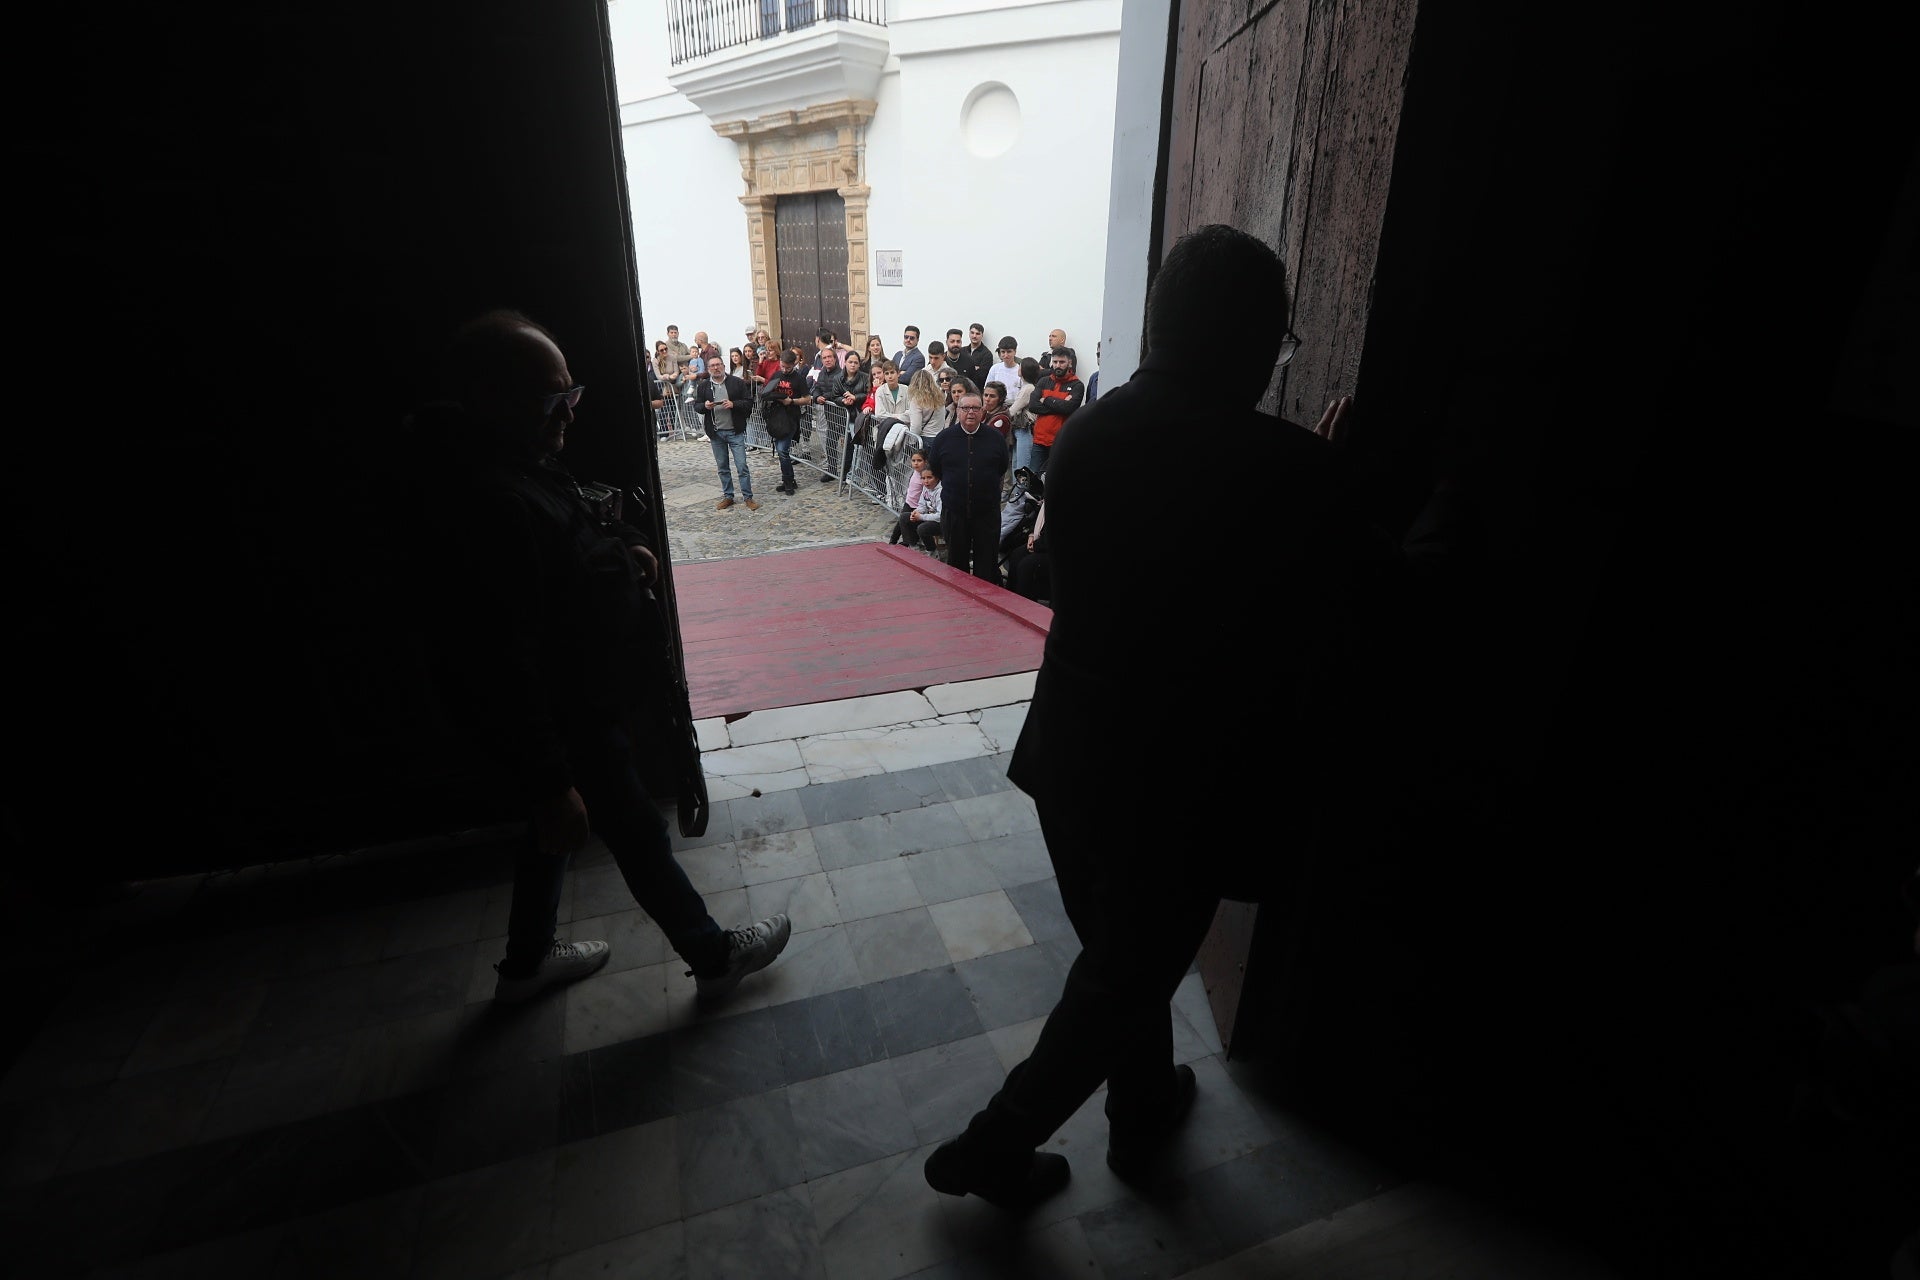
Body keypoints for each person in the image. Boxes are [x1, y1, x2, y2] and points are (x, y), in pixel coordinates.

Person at [923, 224, 1404, 1210]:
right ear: (1251, 341)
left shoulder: (1090, 433)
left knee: (1118, 955)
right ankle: (995, 1142)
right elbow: (1356, 589)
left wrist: (1304, 474)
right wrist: (1329, 476)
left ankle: (1142, 1110)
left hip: (1069, 752)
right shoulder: (1287, 469)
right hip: (1178, 778)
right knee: (1125, 974)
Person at [424, 309, 790, 1009]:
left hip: (582, 698)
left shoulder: (522, 464)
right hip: (567, 713)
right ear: (495, 401)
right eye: (551, 400)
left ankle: (527, 962)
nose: (569, 413)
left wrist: (627, 552)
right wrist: (547, 779)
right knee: (634, 831)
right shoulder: (489, 502)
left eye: (572, 394)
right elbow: (500, 659)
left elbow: (571, 541)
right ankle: (713, 956)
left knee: (551, 835)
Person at [926, 390, 1009, 584]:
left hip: (986, 512)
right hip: (955, 511)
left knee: (986, 564)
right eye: (965, 408)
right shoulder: (944, 438)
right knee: (956, 564)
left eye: (975, 408)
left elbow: (1001, 467)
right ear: (958, 410)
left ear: (982, 412)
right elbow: (936, 468)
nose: (970, 412)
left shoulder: (995, 438)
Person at [696, 354, 758, 510]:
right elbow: (697, 406)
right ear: (708, 369)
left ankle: (748, 497)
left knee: (742, 465)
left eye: (718, 365)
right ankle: (728, 496)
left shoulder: (736, 383)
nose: (716, 368)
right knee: (722, 467)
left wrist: (733, 404)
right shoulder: (704, 386)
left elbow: (748, 402)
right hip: (716, 433)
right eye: (712, 366)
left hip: (734, 431)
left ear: (723, 366)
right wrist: (705, 406)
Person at [760, 346, 811, 495]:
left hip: (791, 418)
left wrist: (792, 401)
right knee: (781, 451)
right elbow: (767, 390)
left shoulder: (798, 378)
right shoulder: (777, 374)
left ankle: (788, 481)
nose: (784, 370)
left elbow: (807, 399)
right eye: (782, 366)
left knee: (782, 450)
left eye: (787, 368)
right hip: (776, 416)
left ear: (794, 364)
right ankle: (789, 480)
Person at [1028, 346, 1085, 476]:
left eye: (1062, 362)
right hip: (1039, 441)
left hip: (1061, 442)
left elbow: (1069, 408)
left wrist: (1046, 399)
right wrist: (1060, 405)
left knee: (1056, 478)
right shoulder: (1043, 381)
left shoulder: (1077, 385)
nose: (1058, 365)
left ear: (1069, 363)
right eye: (1055, 362)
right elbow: (1033, 406)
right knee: (1033, 479)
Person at [1008, 356, 1044, 474]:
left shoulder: (1028, 389)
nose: (1018, 368)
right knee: (1016, 465)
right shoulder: (1026, 387)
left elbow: (1013, 410)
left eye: (1020, 366)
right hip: (1019, 430)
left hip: (1024, 429)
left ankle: (1021, 487)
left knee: (1021, 467)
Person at [887, 448, 930, 544]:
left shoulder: (925, 476)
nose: (916, 463)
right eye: (913, 461)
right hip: (909, 502)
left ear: (925, 462)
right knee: (900, 523)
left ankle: (908, 542)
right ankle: (893, 541)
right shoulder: (915, 472)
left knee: (908, 523)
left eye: (919, 461)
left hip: (917, 506)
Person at [903, 464, 942, 553]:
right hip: (929, 516)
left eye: (929, 478)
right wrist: (916, 512)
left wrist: (921, 517)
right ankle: (913, 546)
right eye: (923, 478)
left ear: (936, 478)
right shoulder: (925, 488)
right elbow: (922, 505)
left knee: (923, 528)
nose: (926, 481)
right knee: (904, 517)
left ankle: (932, 551)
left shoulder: (940, 491)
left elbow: (940, 516)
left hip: (941, 522)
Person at [983, 336, 1023, 405]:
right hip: (996, 406)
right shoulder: (995, 368)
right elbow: (987, 390)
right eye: (1003, 352)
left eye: (1009, 352)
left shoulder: (1021, 370)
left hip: (1015, 406)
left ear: (1015, 352)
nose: (1006, 355)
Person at [956, 322, 996, 389]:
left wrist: (965, 369)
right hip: (960, 388)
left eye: (977, 334)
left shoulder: (987, 354)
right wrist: (974, 368)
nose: (974, 336)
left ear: (982, 335)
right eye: (972, 333)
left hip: (976, 390)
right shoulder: (962, 351)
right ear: (969, 334)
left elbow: (982, 377)